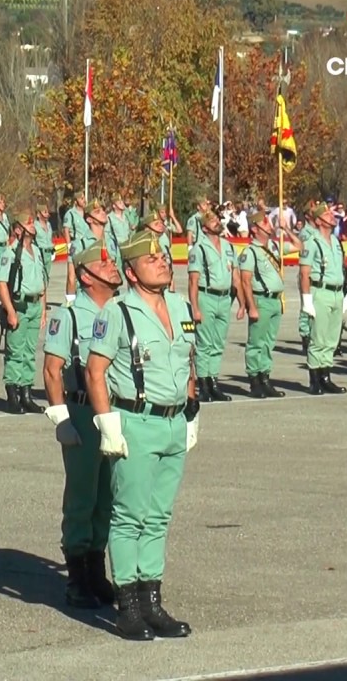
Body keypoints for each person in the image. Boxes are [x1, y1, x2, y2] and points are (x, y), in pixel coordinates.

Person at [85, 230, 196, 641]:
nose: (163, 262)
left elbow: (187, 360)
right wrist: (107, 422)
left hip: (173, 422)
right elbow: (95, 371)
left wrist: (192, 409)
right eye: (151, 260)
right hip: (135, 420)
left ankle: (152, 599)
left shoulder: (180, 305)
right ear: (131, 272)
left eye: (164, 257)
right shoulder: (118, 312)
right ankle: (128, 605)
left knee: (159, 516)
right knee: (129, 515)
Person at [42, 242, 120, 609]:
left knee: (108, 495)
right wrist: (60, 419)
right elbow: (52, 370)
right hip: (84, 415)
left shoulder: (123, 311)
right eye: (105, 265)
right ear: (87, 277)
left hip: (117, 413)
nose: (114, 268)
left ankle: (96, 569)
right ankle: (77, 577)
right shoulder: (69, 316)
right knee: (82, 496)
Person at [0, 219, 47, 414]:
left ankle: (26, 394)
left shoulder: (37, 251)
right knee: (15, 353)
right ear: (18, 229)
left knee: (29, 352)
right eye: (28, 223)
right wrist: (10, 311)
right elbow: (1, 284)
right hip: (19, 307)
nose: (32, 226)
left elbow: (42, 282)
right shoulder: (10, 253)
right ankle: (13, 396)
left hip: (34, 306)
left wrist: (43, 310)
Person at [186, 209, 239, 402]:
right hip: (206, 296)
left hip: (224, 299)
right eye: (213, 220)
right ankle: (204, 384)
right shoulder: (199, 248)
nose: (218, 222)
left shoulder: (228, 246)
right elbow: (193, 280)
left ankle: (214, 381)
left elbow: (235, 275)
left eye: (218, 219)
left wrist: (241, 303)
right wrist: (195, 308)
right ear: (205, 226)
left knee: (218, 343)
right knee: (204, 344)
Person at [299, 201, 347, 395]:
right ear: (319, 220)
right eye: (327, 215)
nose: (332, 217)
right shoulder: (312, 243)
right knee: (318, 338)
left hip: (336, 292)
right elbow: (305, 273)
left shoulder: (336, 242)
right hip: (320, 292)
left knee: (331, 338)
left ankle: (326, 375)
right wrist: (307, 300)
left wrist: (345, 293)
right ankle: (315, 379)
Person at [236, 211, 286, 399]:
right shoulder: (250, 252)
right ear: (256, 229)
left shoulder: (274, 246)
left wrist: (285, 227)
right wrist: (251, 307)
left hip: (275, 301)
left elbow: (299, 245)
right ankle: (254, 381)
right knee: (256, 343)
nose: (269, 225)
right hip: (261, 300)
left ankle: (265, 378)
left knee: (268, 343)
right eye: (265, 223)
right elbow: (245, 281)